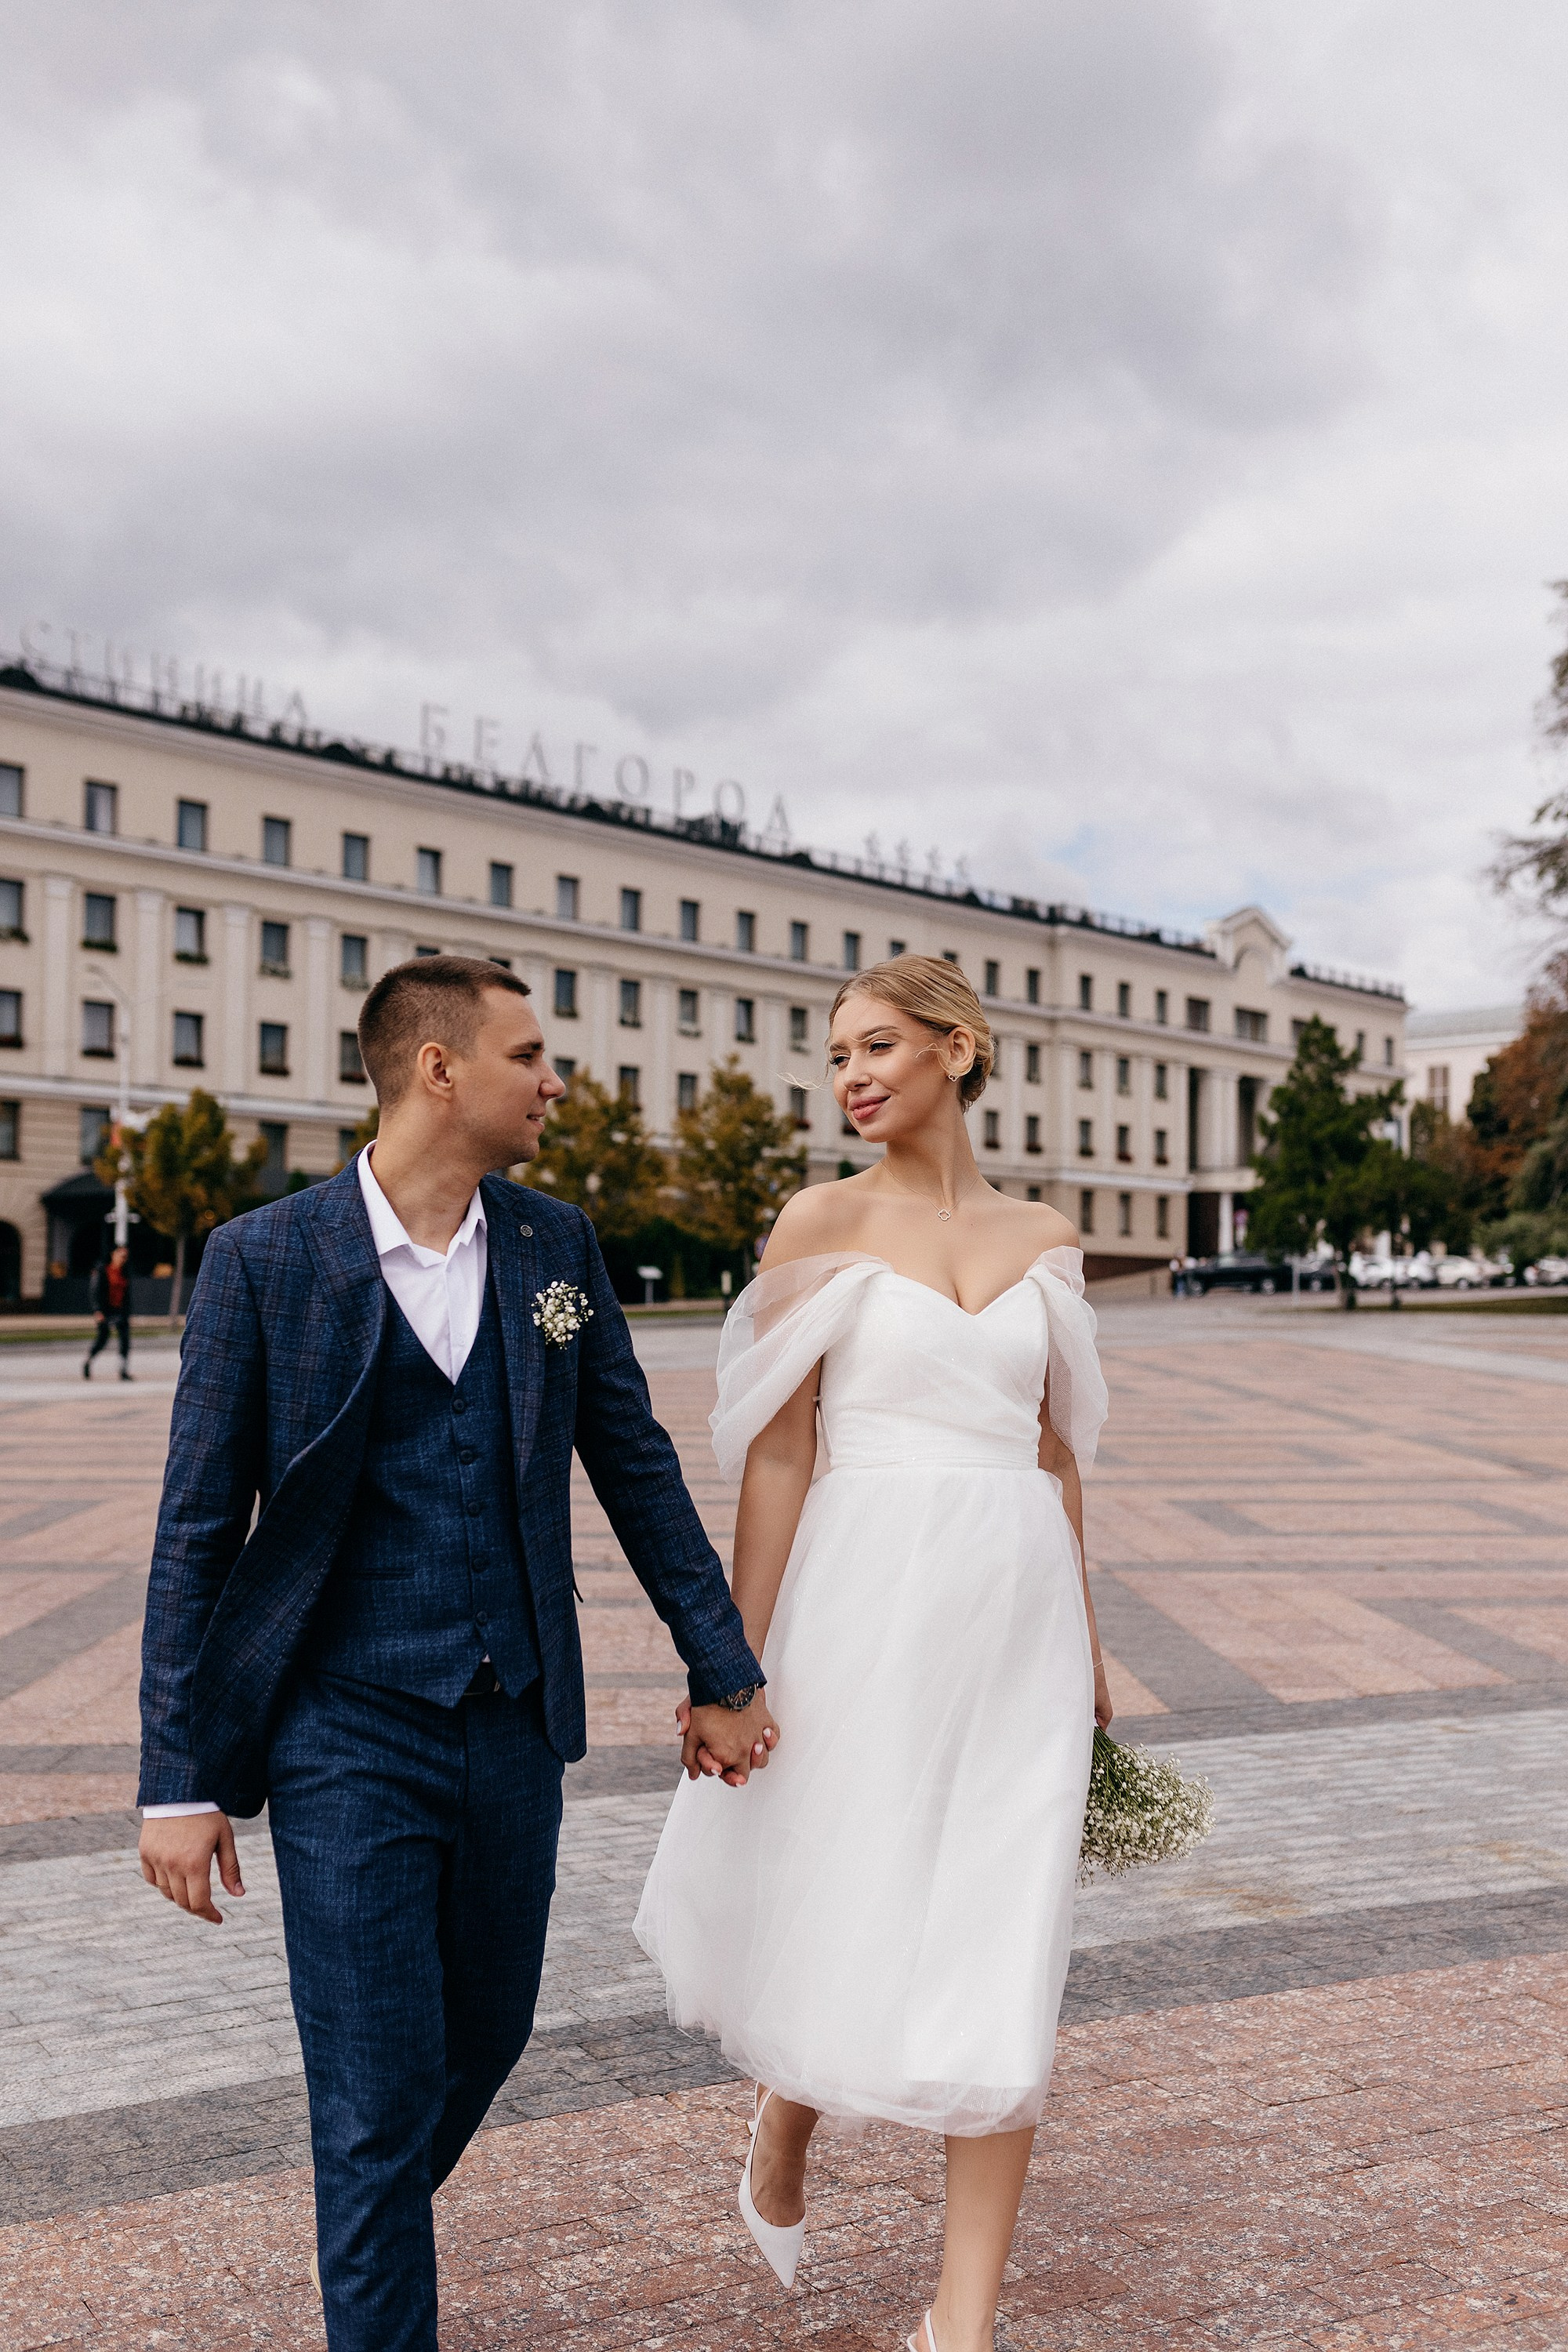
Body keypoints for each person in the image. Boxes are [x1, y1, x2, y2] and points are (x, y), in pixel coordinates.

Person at [136, 956, 777, 2352]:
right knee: (371, 2101)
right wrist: (175, 1779)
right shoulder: (264, 1260)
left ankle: (364, 2229)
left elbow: (638, 1468)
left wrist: (723, 1670)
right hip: (340, 1732)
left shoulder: (555, 1249)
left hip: (510, 1721)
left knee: (477, 2045)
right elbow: (196, 1532)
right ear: (439, 1070)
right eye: (531, 1055)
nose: (556, 1082)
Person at [635, 955, 1112, 2352]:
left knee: (999, 1935)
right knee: (853, 1876)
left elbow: (1055, 1456)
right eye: (837, 1052)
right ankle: (788, 2111)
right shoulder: (818, 1221)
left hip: (1013, 1608)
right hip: (863, 1596)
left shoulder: (1048, 1236)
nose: (850, 1074)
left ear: (958, 1051)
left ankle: (959, 2328)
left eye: (879, 1046)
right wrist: (733, 1662)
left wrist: (1090, 1650)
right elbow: (779, 1456)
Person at [84, 1243, 132, 1379]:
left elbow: (127, 1295)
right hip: (106, 1310)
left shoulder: (125, 1273)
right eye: (121, 1255)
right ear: (114, 1254)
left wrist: (128, 1312)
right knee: (102, 1338)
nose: (123, 1259)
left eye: (125, 1256)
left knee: (125, 1340)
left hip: (120, 1310)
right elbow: (95, 1292)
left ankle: (123, 1370)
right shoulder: (103, 1270)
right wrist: (97, 1310)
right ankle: (88, 1361)